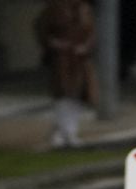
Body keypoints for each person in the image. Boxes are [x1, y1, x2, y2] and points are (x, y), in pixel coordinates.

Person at [34, 0, 98, 148]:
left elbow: (91, 32)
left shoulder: (84, 9)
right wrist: (54, 44)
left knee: (78, 95)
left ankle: (69, 131)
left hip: (80, 59)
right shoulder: (54, 8)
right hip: (61, 59)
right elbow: (42, 30)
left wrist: (86, 47)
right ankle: (63, 132)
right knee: (63, 95)